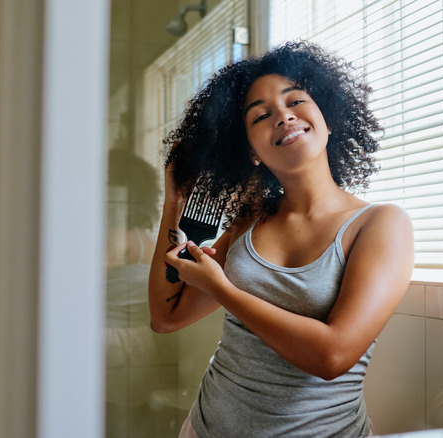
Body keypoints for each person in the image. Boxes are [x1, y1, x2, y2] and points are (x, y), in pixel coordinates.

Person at [148, 40, 414, 438]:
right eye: (261, 116)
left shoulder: (380, 225)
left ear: (328, 118)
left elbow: (333, 355)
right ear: (250, 151)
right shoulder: (249, 220)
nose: (284, 117)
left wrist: (223, 289)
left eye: (296, 101)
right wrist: (174, 202)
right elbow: (165, 318)